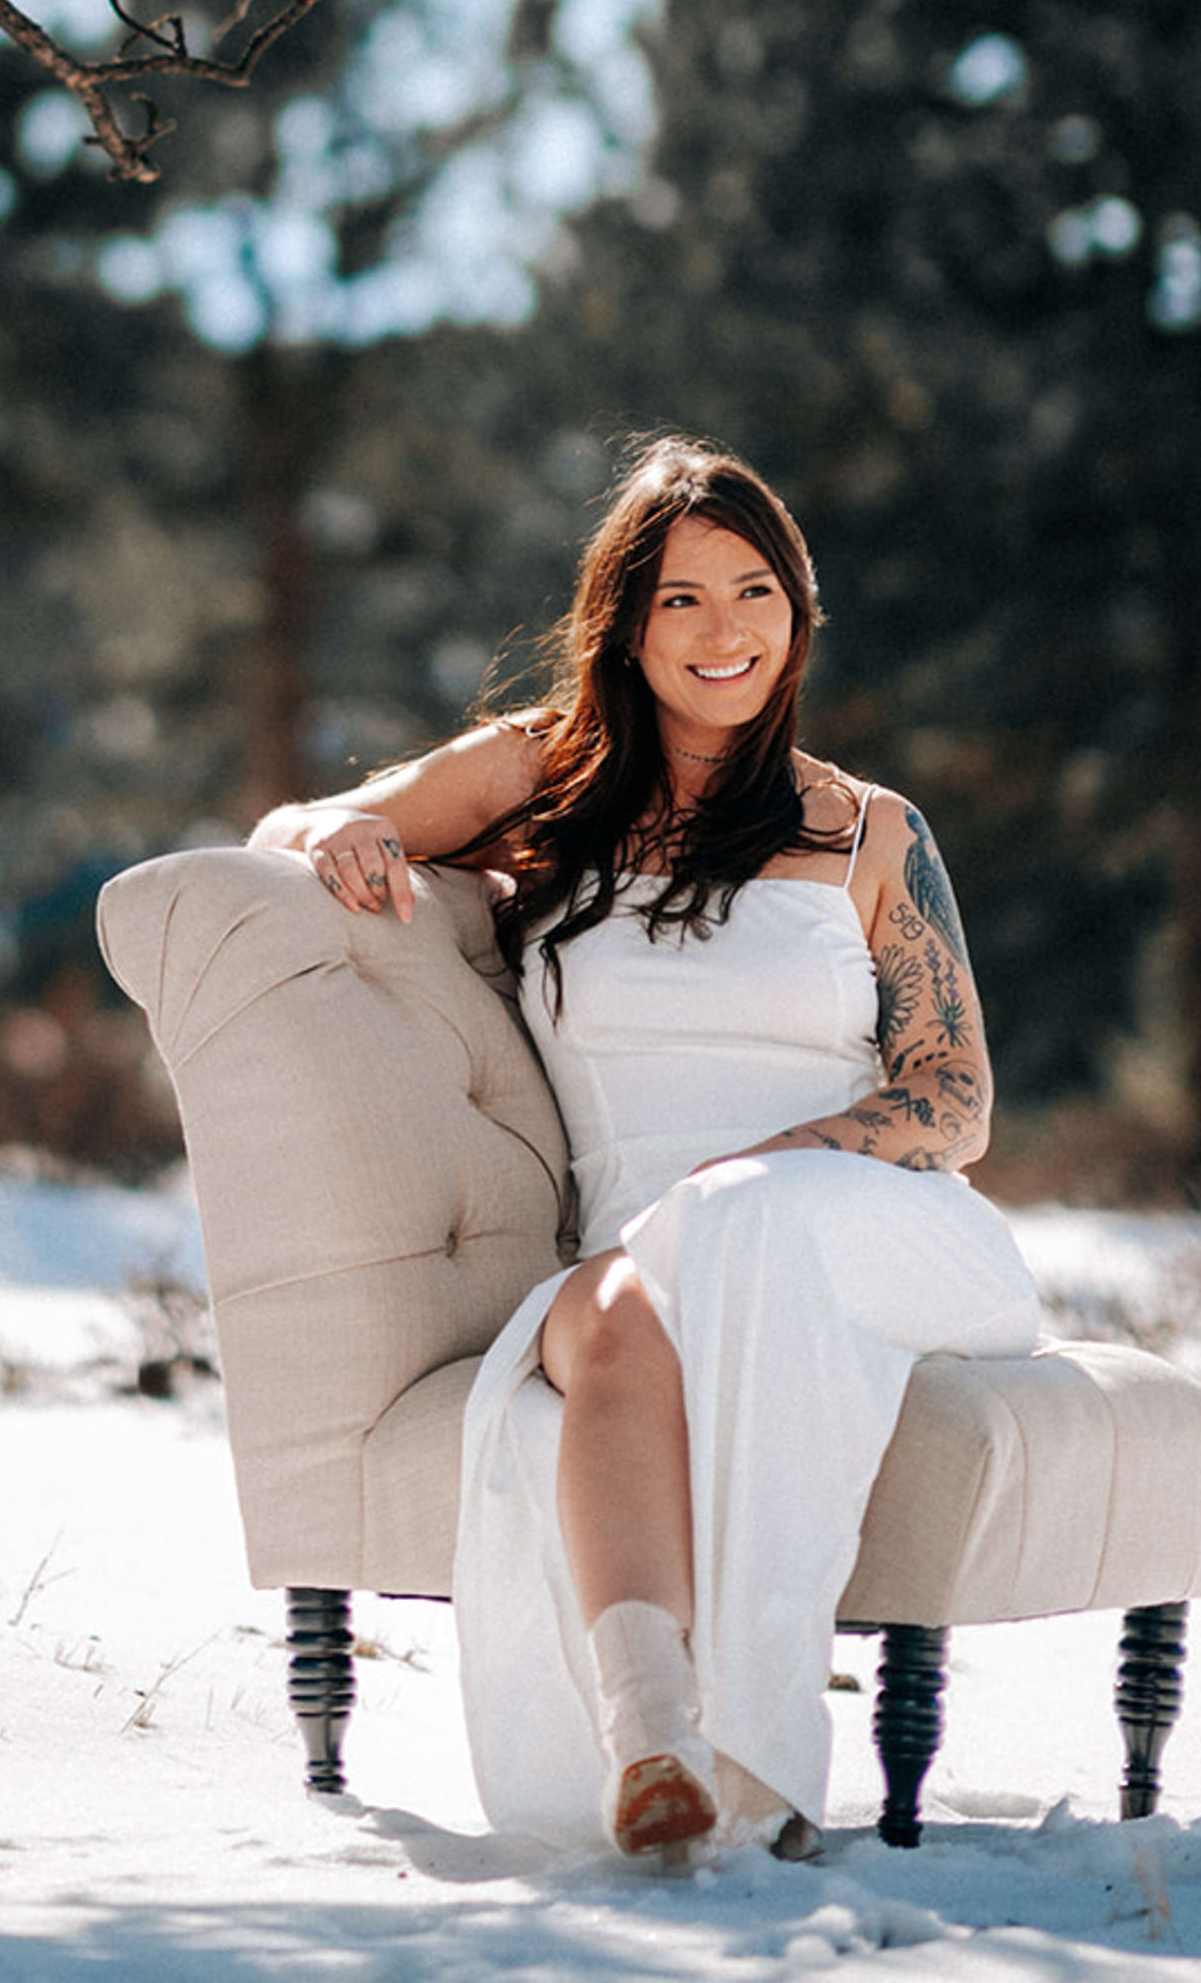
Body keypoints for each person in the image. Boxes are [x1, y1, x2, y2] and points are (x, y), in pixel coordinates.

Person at [248, 434, 1041, 1860]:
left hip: (878, 1231)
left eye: (755, 591)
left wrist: (775, 1170)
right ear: (625, 619)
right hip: (641, 1255)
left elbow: (956, 1097)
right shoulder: (545, 778)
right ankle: (655, 1737)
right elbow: (307, 820)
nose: (723, 631)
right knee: (612, 1313)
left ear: (799, 611)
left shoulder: (869, 832)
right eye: (681, 598)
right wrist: (346, 837)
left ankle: (762, 1756)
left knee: (743, 1230)